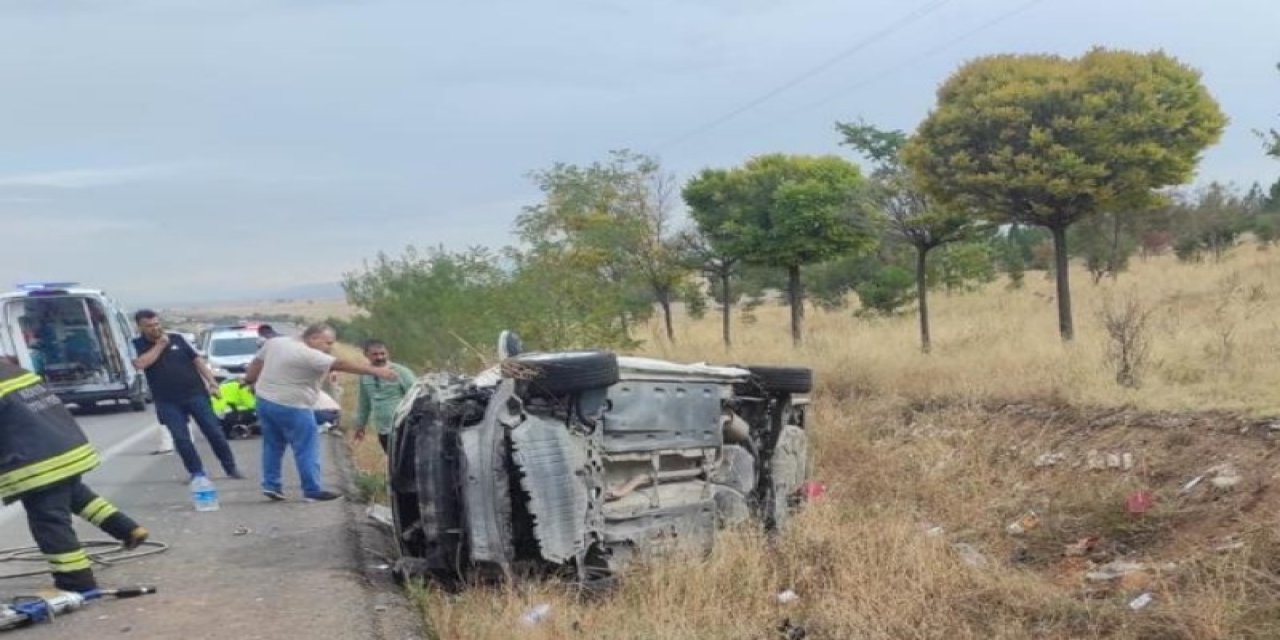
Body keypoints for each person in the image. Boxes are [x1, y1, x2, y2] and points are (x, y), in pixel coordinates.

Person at [0, 358, 148, 593]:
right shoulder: (11, 369)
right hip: (64, 445)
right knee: (76, 496)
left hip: (37, 461)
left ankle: (76, 582)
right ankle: (128, 529)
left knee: (49, 521)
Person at [244, 323, 396, 502]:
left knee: (272, 445)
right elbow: (340, 364)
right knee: (306, 447)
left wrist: (249, 380)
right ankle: (312, 490)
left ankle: (271, 484)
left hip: (265, 401)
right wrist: (375, 370)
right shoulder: (309, 354)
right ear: (313, 338)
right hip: (293, 405)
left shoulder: (276, 343)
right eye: (328, 343)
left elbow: (257, 362)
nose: (330, 347)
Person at [132, 310, 243, 480]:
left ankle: (230, 467)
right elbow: (140, 363)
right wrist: (160, 345)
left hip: (195, 394)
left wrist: (212, 383)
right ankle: (196, 472)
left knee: (214, 432)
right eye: (149, 326)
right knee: (181, 439)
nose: (155, 328)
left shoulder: (176, 338)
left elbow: (197, 361)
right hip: (167, 400)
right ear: (140, 327)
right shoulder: (136, 345)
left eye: (157, 324)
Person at [353, 340, 416, 454]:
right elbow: (364, 403)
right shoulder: (365, 375)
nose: (380, 357)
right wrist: (360, 425)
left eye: (383, 353)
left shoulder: (401, 372)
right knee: (392, 461)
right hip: (382, 428)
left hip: (403, 427)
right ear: (366, 355)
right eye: (375, 354)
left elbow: (416, 397)